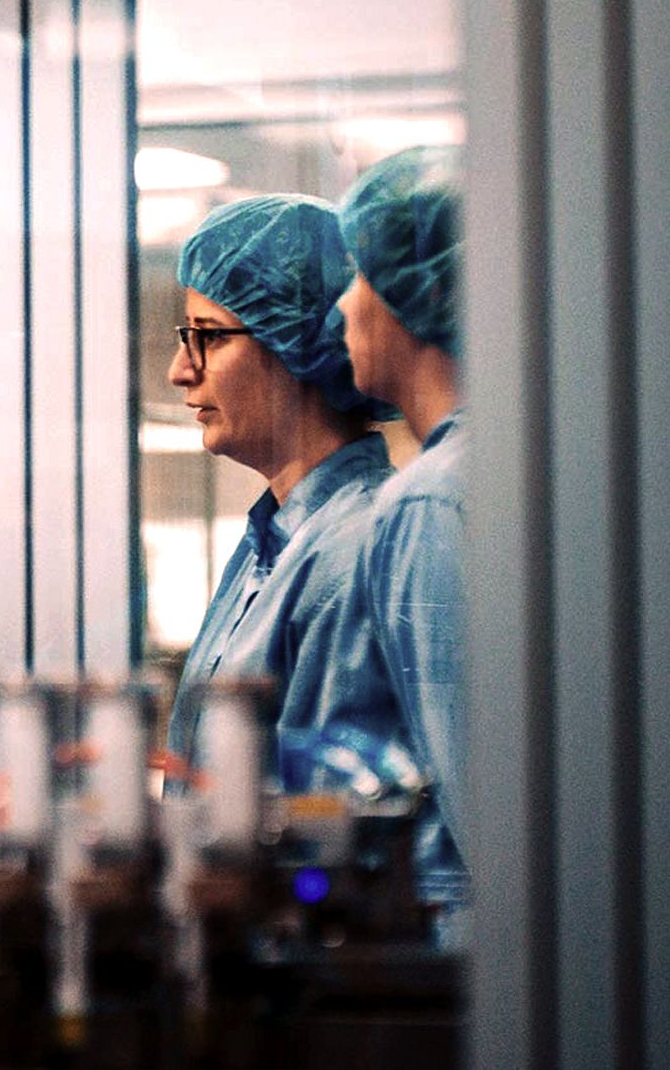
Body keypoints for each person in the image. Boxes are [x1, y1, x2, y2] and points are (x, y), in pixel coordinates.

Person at [159, 195, 396, 778]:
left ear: (300, 344)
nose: (180, 369)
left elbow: (332, 814)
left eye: (208, 336)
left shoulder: (354, 552)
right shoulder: (276, 540)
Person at [334, 145, 469, 913]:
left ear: (406, 293)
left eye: (358, 278)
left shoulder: (429, 503)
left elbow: (481, 799)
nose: (341, 307)